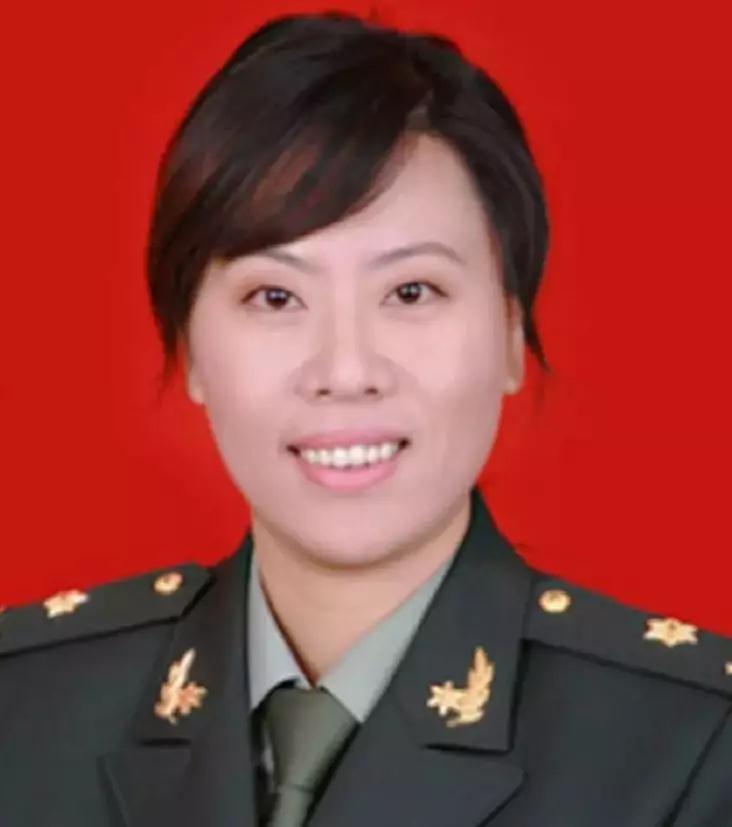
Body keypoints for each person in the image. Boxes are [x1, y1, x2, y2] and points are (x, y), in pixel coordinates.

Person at [1, 10, 730, 827]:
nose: (346, 372)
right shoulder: (24, 712)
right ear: (192, 348)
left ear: (510, 334)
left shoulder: (692, 751)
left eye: (411, 292)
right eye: (274, 296)